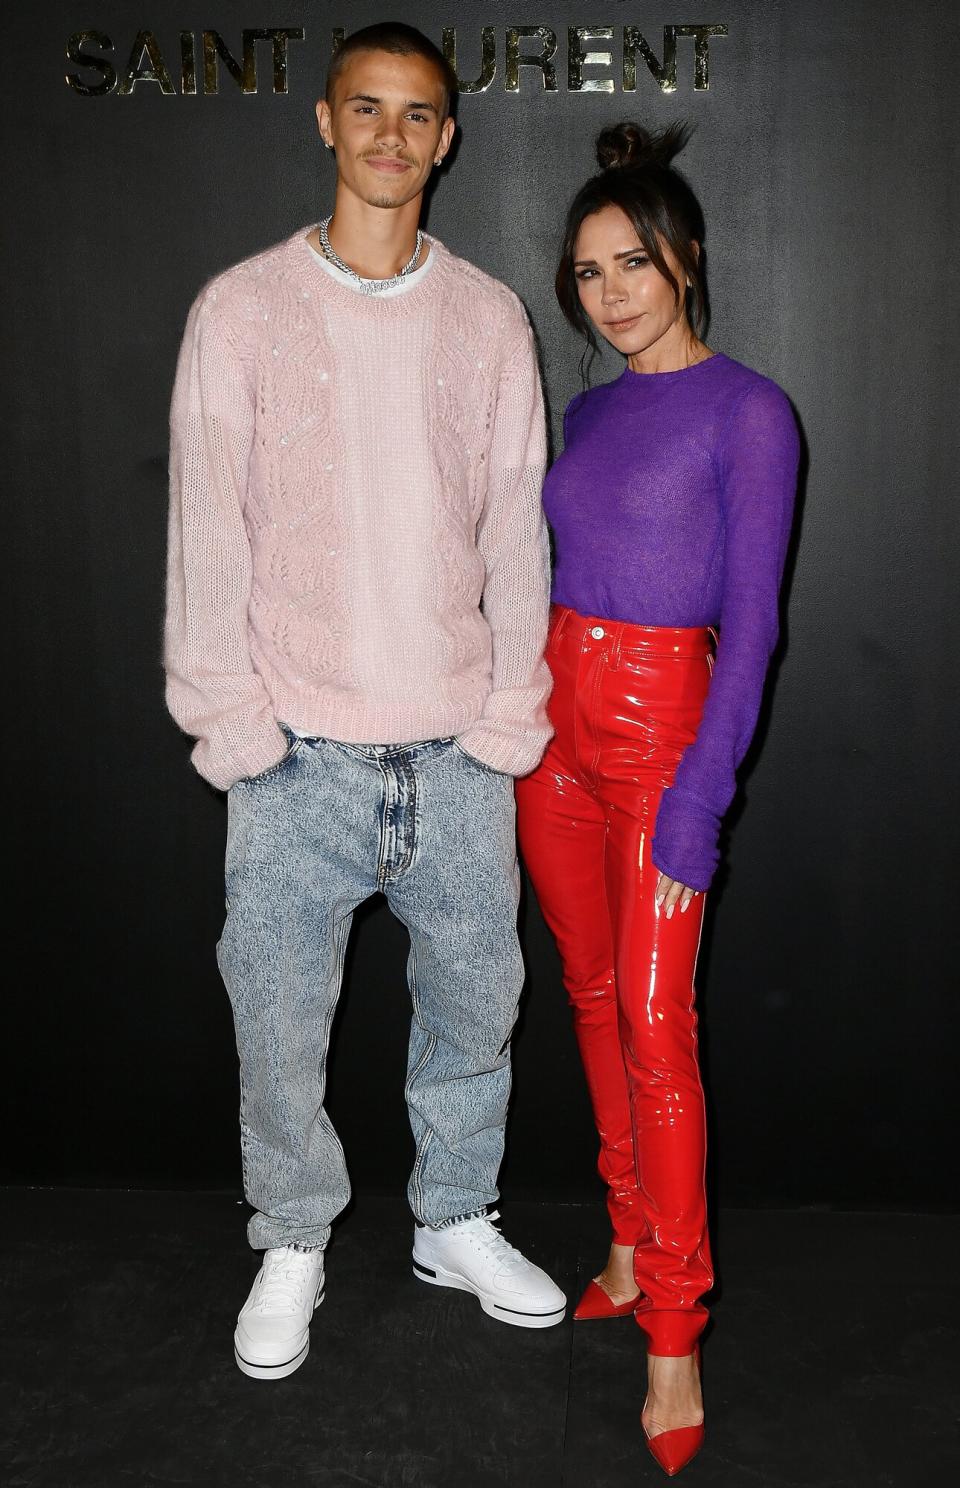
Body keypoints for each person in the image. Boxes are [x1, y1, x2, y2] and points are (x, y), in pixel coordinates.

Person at [164, 21, 566, 1382]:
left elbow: (515, 530)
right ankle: (292, 1237)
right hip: (298, 757)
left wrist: (510, 716)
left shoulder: (490, 317)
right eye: (368, 110)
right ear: (325, 123)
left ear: (448, 140)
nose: (393, 136)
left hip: (457, 754)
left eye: (418, 116)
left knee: (477, 1007)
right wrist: (237, 732)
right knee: (277, 1022)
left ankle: (454, 1218)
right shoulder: (242, 309)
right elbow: (207, 532)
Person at [515, 121, 800, 1474]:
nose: (612, 292)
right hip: (555, 730)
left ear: (685, 259)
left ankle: (675, 1329)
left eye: (634, 262)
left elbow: (753, 631)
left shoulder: (751, 410)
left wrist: (700, 801)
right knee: (583, 995)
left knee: (651, 1019)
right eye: (586, 273)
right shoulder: (592, 408)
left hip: (661, 738)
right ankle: (627, 1238)